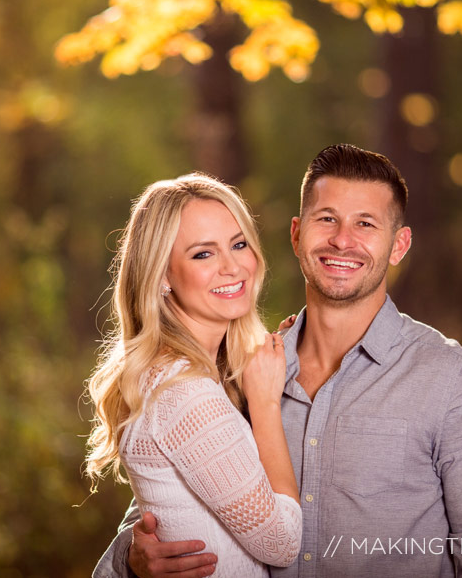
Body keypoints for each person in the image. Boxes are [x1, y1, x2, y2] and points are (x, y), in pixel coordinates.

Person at [94, 144, 462, 577]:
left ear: (399, 246)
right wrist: (131, 561)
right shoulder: (240, 371)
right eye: (327, 219)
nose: (342, 239)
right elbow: (164, 506)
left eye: (366, 224)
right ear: (297, 234)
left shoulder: (455, 381)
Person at [85, 173, 303, 577]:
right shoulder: (184, 391)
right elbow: (282, 543)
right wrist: (266, 402)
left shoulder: (188, 375)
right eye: (203, 254)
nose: (232, 266)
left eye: (238, 244)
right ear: (163, 275)